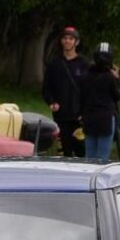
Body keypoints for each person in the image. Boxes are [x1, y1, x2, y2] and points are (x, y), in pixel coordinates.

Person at [42, 26, 89, 157]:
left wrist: (85, 111)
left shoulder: (84, 64)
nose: (67, 41)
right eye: (65, 38)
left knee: (81, 151)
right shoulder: (55, 63)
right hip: (61, 116)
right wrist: (52, 102)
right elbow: (46, 88)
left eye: (71, 38)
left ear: (77, 42)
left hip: (79, 117)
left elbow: (90, 90)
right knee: (64, 152)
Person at [78, 43, 120, 160]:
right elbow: (117, 96)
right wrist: (117, 79)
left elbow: (81, 97)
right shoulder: (109, 77)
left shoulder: (85, 76)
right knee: (102, 157)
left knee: (89, 155)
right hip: (105, 119)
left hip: (89, 118)